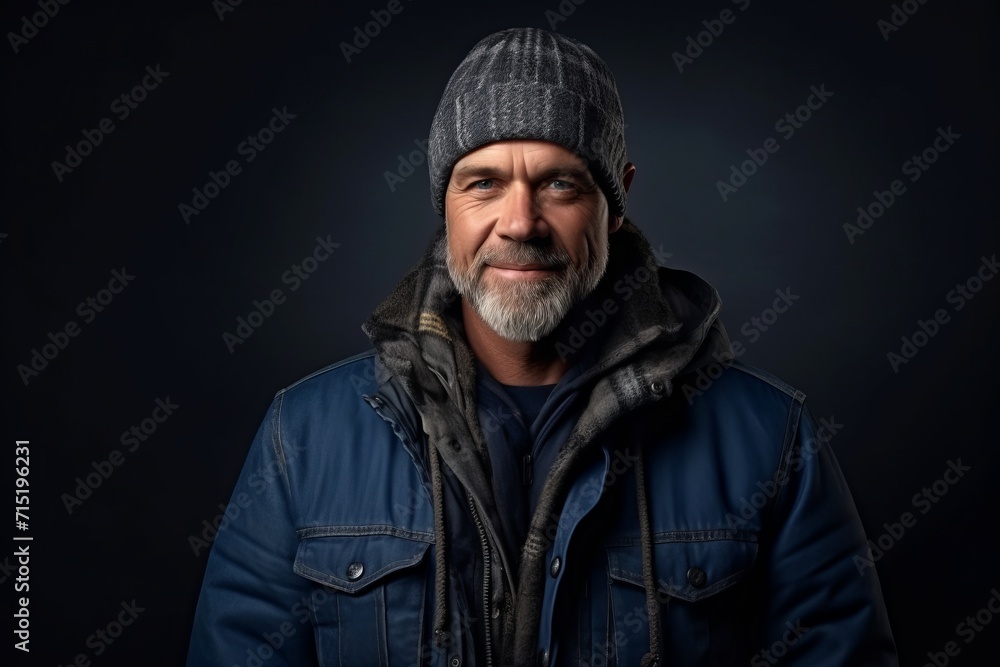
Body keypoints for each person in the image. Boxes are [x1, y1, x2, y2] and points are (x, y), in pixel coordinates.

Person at [188, 27, 897, 666]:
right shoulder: (303, 438)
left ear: (615, 202)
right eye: (484, 183)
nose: (519, 222)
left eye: (559, 182)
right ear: (445, 206)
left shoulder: (770, 442)